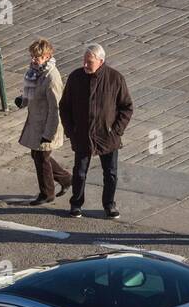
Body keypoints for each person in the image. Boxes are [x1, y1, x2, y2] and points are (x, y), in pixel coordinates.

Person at [57, 43, 133, 220]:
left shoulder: (115, 79)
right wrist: (71, 131)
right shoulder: (76, 77)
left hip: (107, 136)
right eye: (84, 61)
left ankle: (109, 205)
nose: (85, 65)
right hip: (82, 134)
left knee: (111, 173)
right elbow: (65, 106)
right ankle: (76, 204)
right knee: (80, 172)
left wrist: (116, 131)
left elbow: (126, 108)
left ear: (101, 61)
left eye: (89, 62)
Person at [16, 38, 72, 206]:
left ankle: (47, 193)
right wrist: (23, 100)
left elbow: (56, 109)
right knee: (39, 155)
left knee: (41, 157)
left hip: (46, 126)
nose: (33, 60)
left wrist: (49, 134)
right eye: (32, 56)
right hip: (36, 122)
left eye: (37, 57)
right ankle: (66, 179)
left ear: (47, 57)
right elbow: (30, 93)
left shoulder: (52, 78)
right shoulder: (34, 72)